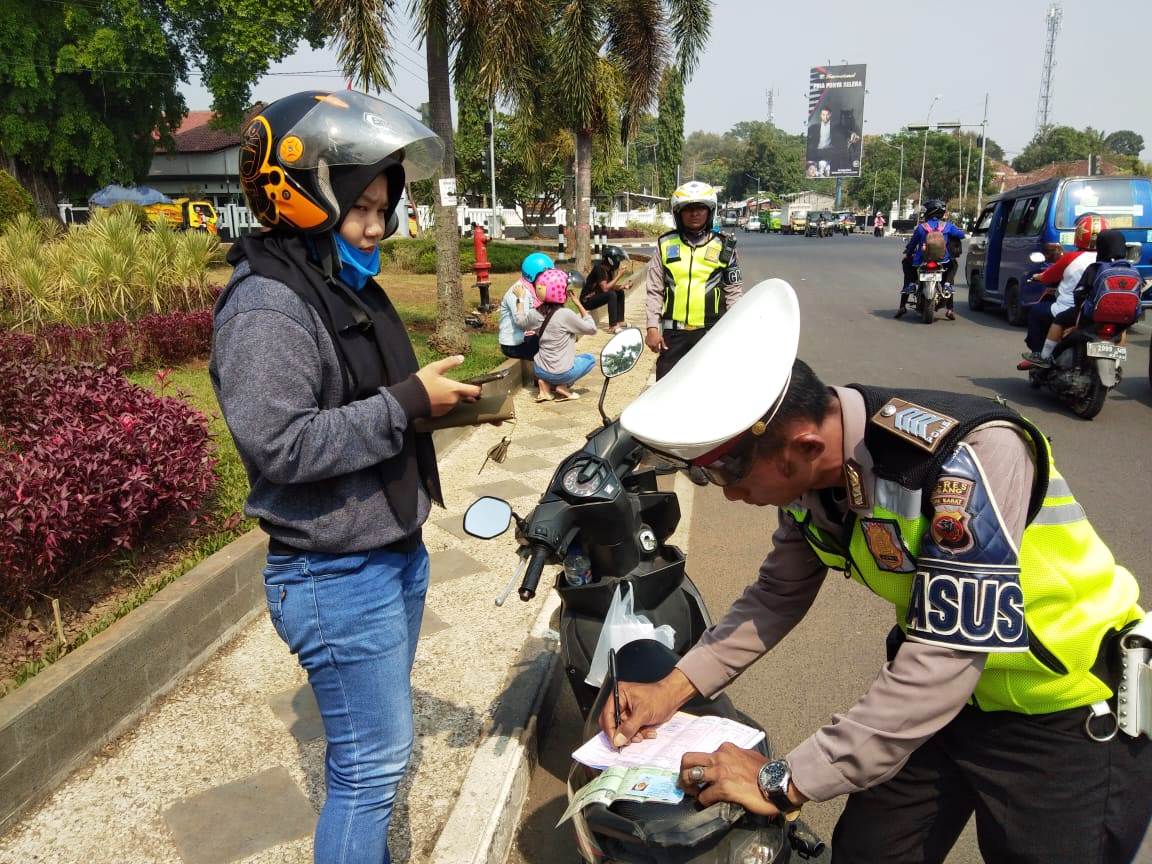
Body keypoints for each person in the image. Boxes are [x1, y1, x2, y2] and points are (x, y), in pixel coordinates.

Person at [606, 279, 1150, 864]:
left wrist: (779, 781)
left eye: (726, 474)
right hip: (947, 710)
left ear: (805, 445)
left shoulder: (965, 457)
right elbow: (775, 596)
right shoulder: (813, 482)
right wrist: (671, 688)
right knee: (870, 850)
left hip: (1066, 714)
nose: (731, 494)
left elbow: (944, 660)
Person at [210, 90, 480, 864]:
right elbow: (280, 445)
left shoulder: (338, 287)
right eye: (360, 207)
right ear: (299, 200)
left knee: (376, 762)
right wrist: (404, 404)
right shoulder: (268, 306)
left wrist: (439, 407)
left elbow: (365, 409)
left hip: (389, 552)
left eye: (383, 207)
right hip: (336, 573)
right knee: (369, 770)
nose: (378, 228)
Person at [644, 181, 743, 380]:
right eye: (688, 209)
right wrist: (652, 328)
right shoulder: (665, 244)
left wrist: (736, 329)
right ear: (678, 213)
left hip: (712, 333)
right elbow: (655, 290)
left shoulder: (725, 247)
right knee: (666, 390)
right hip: (674, 336)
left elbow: (734, 292)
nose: (694, 213)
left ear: (710, 212)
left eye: (700, 208)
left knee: (711, 390)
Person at [1019, 216, 1109, 368]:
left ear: (1079, 235)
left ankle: (1041, 355)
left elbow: (1048, 276)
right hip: (1103, 311)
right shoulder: (1111, 261)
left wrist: (1037, 276)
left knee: (1036, 312)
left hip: (1072, 309)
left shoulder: (1071, 258)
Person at [516, 267, 597, 402]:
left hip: (539, 370)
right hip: (561, 373)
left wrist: (520, 298)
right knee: (589, 359)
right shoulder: (565, 315)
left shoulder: (534, 314)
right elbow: (592, 329)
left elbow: (519, 321)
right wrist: (579, 305)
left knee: (557, 368)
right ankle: (563, 387)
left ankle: (545, 387)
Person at [895, 199, 966, 320]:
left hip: (922, 260)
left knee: (907, 264)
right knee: (953, 266)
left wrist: (908, 253)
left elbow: (912, 244)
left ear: (930, 212)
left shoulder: (921, 227)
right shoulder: (947, 226)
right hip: (942, 260)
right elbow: (962, 235)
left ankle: (905, 300)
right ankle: (949, 309)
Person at [498, 251, 552, 361]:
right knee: (551, 347)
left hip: (528, 338)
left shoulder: (534, 290)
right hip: (514, 345)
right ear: (533, 275)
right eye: (545, 275)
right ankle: (543, 377)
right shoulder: (519, 292)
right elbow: (524, 324)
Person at [581, 245, 629, 333]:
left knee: (620, 292)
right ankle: (613, 326)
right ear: (611, 259)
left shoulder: (608, 270)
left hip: (596, 296)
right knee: (611, 295)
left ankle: (620, 321)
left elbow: (610, 286)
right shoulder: (599, 269)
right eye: (618, 259)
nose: (619, 262)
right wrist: (619, 275)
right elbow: (605, 289)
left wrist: (623, 286)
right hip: (587, 300)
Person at [806, 105, 861, 175]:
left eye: (827, 115)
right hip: (816, 155)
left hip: (830, 156)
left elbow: (846, 131)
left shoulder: (836, 127)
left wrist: (852, 134)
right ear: (820, 115)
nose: (825, 117)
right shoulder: (813, 127)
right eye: (823, 114)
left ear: (830, 115)